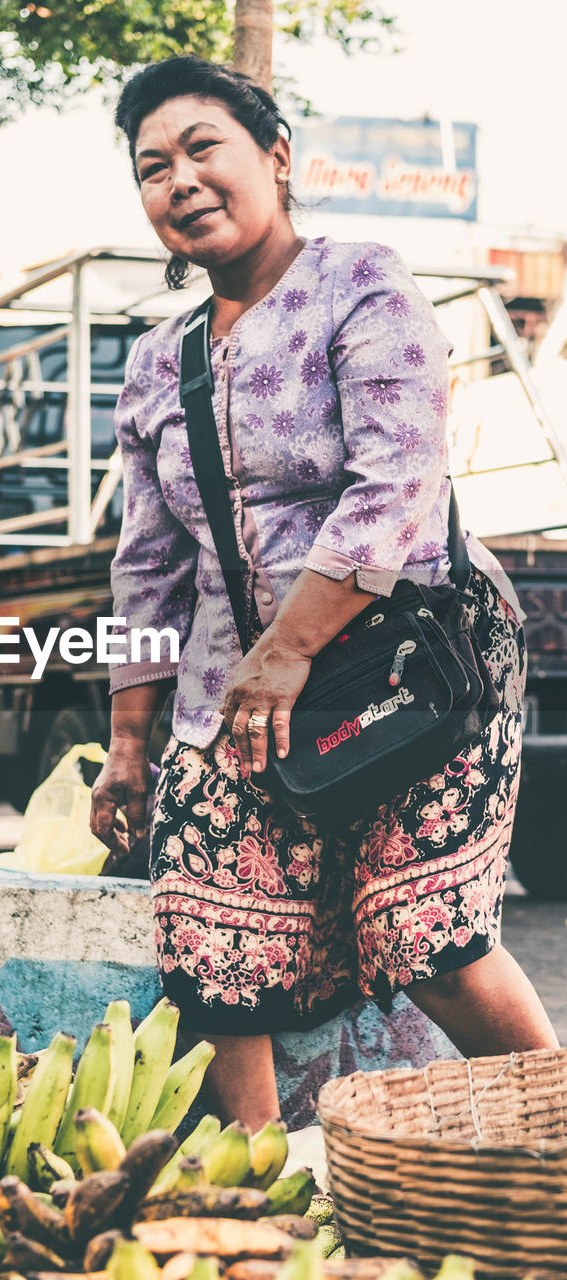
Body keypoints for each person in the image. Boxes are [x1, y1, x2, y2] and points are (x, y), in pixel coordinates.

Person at [88, 56, 558, 1131]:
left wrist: (293, 646)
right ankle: (259, 1197)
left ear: (276, 158)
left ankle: (558, 1141)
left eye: (205, 147)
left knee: (428, 943)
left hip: (414, 658)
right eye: (153, 167)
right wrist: (129, 744)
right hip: (241, 688)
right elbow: (146, 562)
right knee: (210, 953)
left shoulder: (364, 283)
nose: (181, 180)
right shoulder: (158, 363)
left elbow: (397, 480)